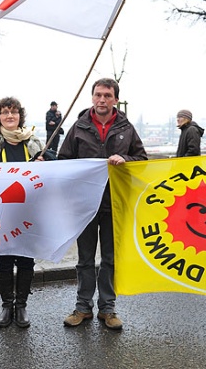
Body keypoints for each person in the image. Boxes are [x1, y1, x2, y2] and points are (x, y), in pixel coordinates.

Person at [58, 78, 147, 330]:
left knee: (109, 259)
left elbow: (141, 159)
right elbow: (65, 160)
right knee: (85, 259)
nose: (102, 100)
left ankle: (107, 308)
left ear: (115, 99)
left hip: (115, 204)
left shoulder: (127, 128)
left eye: (107, 95)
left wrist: (125, 158)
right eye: (98, 95)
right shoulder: (79, 127)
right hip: (85, 205)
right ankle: (83, 307)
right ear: (92, 97)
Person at [0, 97, 45, 328]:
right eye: (5, 112)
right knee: (4, 258)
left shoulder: (33, 143)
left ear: (20, 116)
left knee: (26, 258)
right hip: (1, 211)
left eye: (14, 112)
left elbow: (44, 178)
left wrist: (44, 164)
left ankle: (22, 304)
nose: (9, 116)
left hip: (27, 210)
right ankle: (7, 304)